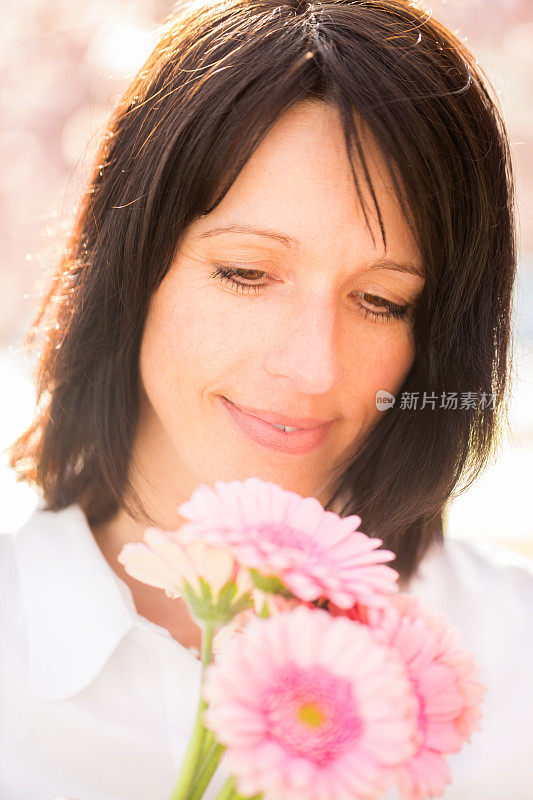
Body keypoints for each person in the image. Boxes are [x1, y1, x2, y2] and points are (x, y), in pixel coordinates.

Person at [1, 0, 532, 798]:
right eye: (246, 274)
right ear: (130, 265)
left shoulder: (511, 653)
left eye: (381, 302)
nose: (314, 367)